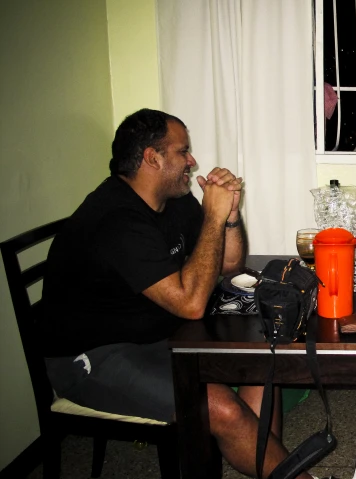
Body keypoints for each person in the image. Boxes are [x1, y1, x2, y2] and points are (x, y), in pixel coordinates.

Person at [39, 109, 313, 479]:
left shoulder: (173, 199)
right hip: (93, 356)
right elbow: (191, 304)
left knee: (261, 360)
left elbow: (229, 265)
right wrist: (212, 219)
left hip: (156, 333)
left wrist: (228, 214)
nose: (192, 161)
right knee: (220, 408)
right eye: (183, 151)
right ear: (153, 158)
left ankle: (268, 468)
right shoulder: (116, 219)